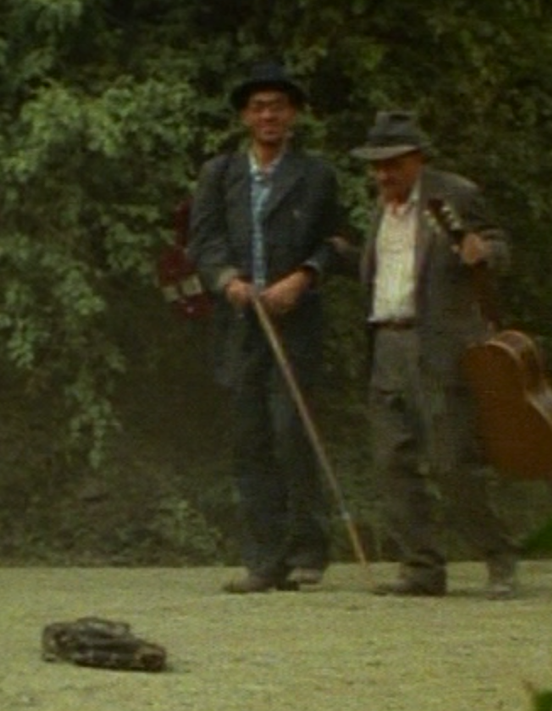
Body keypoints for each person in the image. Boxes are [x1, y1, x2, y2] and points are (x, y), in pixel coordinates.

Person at [349, 110, 520, 598]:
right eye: (376, 165)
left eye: (393, 163)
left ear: (418, 158)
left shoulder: (454, 194)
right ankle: (422, 568)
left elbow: (499, 245)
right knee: (392, 460)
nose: (383, 174)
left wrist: (483, 251)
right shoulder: (379, 208)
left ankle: (499, 555)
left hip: (440, 345)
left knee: (452, 462)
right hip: (386, 341)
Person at [188, 62, 342, 593]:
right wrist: (227, 280)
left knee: (291, 431)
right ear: (245, 117)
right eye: (258, 107)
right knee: (249, 438)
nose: (268, 115)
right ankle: (263, 559)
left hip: (294, 323)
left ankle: (307, 552)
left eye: (278, 106)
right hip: (239, 326)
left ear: (292, 114)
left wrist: (303, 277)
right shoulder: (220, 174)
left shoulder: (316, 175)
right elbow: (203, 242)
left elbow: (338, 243)